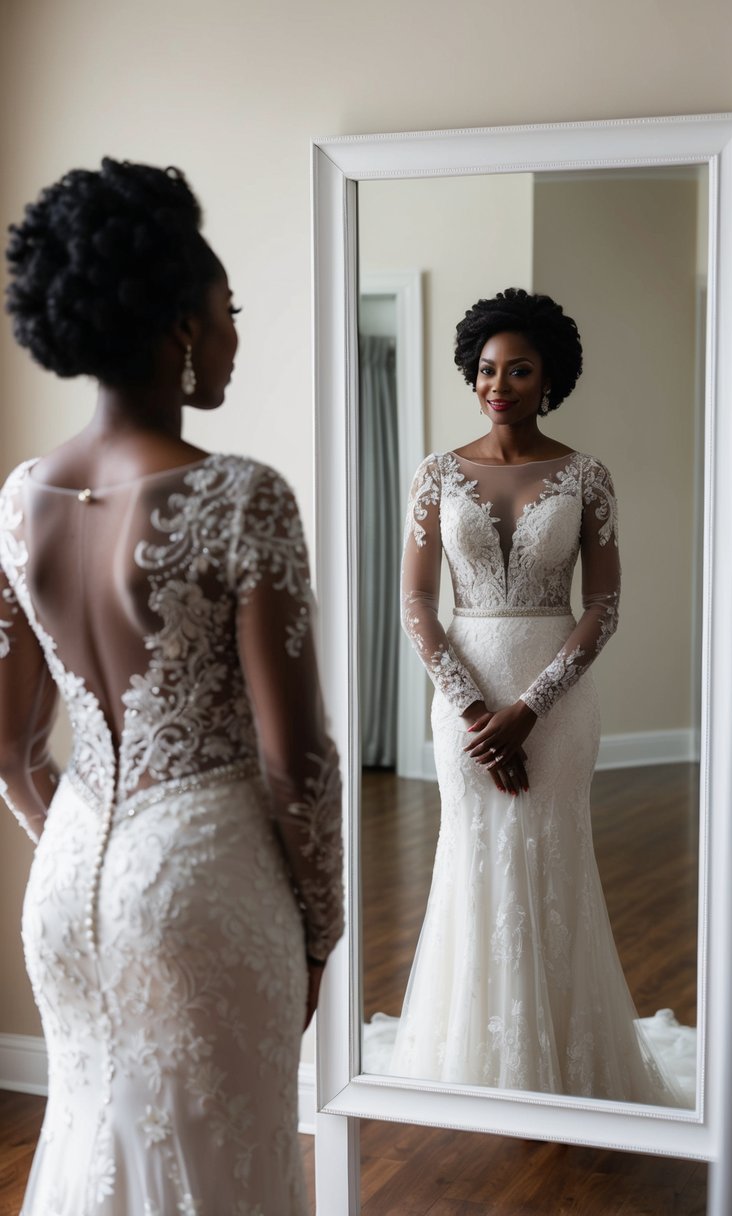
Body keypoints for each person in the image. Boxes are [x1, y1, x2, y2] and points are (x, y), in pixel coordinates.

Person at [0, 159, 343, 1214]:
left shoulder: (21, 498)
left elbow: (11, 747)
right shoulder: (239, 496)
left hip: (65, 883)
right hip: (204, 883)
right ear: (179, 322)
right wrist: (320, 931)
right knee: (218, 1164)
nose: (234, 331)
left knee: (97, 1139)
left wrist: (93, 846)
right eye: (224, 307)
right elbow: (298, 761)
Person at [392, 287, 690, 1105]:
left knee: (550, 860)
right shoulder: (435, 474)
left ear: (548, 377)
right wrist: (469, 706)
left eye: (517, 370)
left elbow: (604, 604)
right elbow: (418, 602)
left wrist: (530, 708)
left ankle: (563, 1056)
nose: (498, 384)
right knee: (473, 860)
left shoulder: (586, 475)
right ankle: (473, 1057)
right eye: (486, 369)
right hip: (464, 690)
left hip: (554, 695)